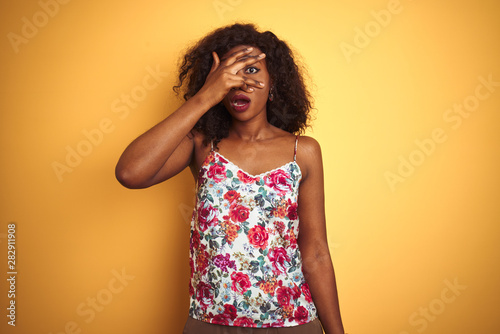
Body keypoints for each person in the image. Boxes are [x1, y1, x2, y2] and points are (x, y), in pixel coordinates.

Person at [115, 23, 345, 334]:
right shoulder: (200, 144)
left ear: (273, 82)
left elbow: (315, 252)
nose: (241, 82)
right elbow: (130, 172)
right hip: (210, 322)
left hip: (292, 323)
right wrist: (204, 98)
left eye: (252, 70)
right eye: (229, 72)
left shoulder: (301, 151)